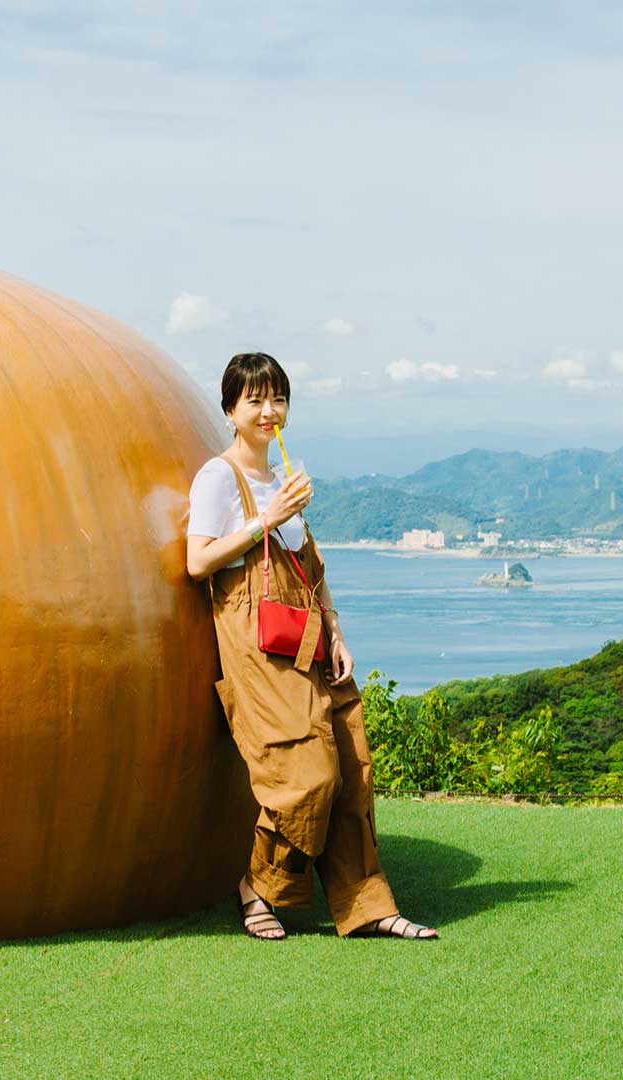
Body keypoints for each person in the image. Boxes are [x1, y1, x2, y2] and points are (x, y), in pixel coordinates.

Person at [184, 352, 439, 942]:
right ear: (230, 412)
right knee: (306, 775)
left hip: (312, 637)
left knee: (351, 772)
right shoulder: (219, 478)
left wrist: (337, 631)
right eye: (254, 400)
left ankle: (369, 905)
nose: (268, 411)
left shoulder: (285, 478)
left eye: (278, 399)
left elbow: (310, 571)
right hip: (259, 647)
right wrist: (266, 518)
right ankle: (257, 887)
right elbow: (197, 561)